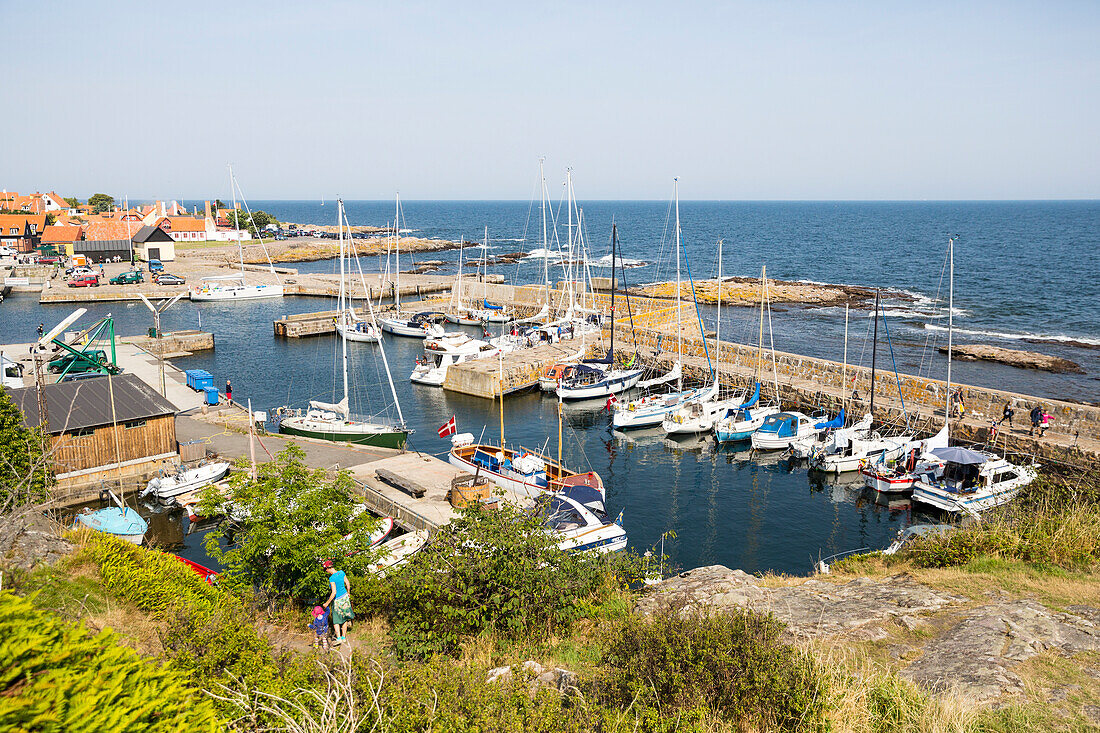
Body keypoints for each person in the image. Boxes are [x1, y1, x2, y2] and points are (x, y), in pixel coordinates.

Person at [322, 560, 352, 646]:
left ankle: (338, 638)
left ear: (328, 568)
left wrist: (327, 603)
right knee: (344, 618)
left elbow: (334, 592)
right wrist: (348, 592)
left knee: (336, 620)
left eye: (326, 570)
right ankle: (344, 638)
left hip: (337, 600)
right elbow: (347, 583)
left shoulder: (332, 578)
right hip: (345, 597)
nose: (326, 571)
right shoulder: (342, 573)